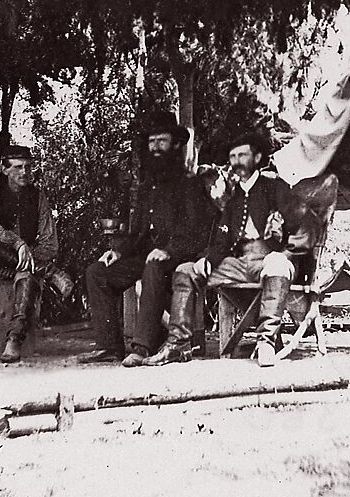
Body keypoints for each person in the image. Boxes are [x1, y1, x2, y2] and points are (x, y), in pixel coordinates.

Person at [150, 131, 317, 368]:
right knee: (186, 270)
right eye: (232, 156)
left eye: (242, 155)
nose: (236, 161)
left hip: (270, 262)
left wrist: (288, 253)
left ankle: (266, 342)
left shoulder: (275, 187)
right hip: (240, 265)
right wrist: (209, 259)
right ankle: (177, 345)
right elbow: (222, 237)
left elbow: (308, 224)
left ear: (257, 157)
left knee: (277, 264)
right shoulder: (233, 197)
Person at [82, 110, 214, 366]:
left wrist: (170, 251)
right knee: (97, 272)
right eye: (152, 142)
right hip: (146, 256)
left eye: (161, 141)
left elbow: (198, 232)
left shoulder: (189, 184)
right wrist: (119, 251)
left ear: (176, 145)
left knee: (153, 268)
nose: (155, 148)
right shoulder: (147, 187)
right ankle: (109, 347)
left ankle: (142, 347)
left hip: (179, 259)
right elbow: (139, 232)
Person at [0, 144, 72, 364]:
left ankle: (14, 340)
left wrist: (29, 255)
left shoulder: (37, 197)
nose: (25, 172)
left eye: (28, 167)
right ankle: (49, 272)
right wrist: (18, 243)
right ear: (4, 170)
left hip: (25, 264)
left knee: (27, 276)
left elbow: (50, 241)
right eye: (18, 167)